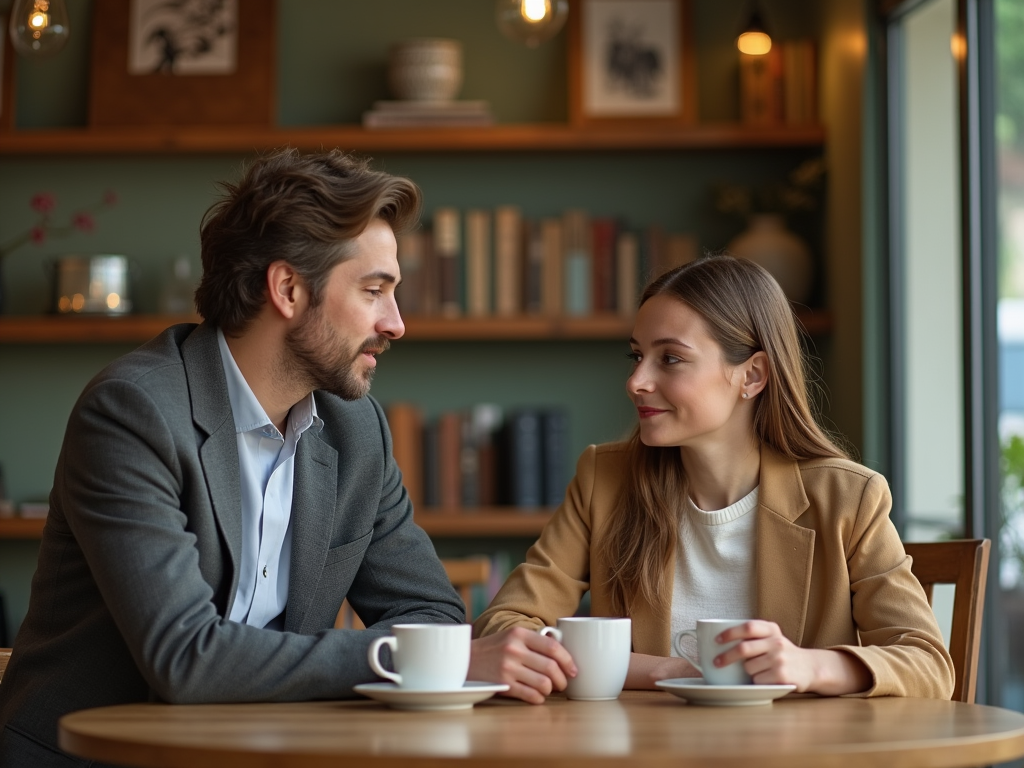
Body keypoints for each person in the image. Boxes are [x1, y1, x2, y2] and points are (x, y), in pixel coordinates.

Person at [0, 148, 573, 767]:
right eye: (374, 291)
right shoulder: (133, 413)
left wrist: (430, 649)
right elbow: (185, 659)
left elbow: (429, 612)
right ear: (289, 289)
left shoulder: (357, 430)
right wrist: (414, 657)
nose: (398, 323)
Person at [475, 254, 954, 699]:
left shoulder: (849, 497)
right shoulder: (605, 479)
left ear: (753, 376)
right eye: (636, 355)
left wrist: (808, 666)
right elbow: (506, 625)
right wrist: (666, 671)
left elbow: (928, 663)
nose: (636, 381)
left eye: (671, 358)